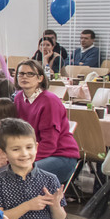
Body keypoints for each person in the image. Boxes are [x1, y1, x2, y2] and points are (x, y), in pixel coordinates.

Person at [11, 58, 80, 186]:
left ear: (40, 78)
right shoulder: (18, 98)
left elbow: (49, 144)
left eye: (30, 74)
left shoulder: (49, 101)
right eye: (21, 74)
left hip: (60, 155)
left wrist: (23, 160)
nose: (24, 77)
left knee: (19, 174)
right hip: (32, 153)